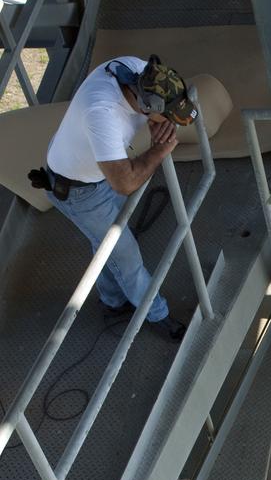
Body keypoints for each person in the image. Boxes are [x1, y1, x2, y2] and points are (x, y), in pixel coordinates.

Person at [32, 54, 198, 340]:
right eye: (168, 116)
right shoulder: (103, 113)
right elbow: (125, 183)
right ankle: (157, 314)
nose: (172, 123)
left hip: (97, 173)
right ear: (147, 105)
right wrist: (158, 150)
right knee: (127, 257)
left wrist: (152, 124)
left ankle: (112, 301)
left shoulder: (135, 69)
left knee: (108, 245)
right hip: (79, 192)